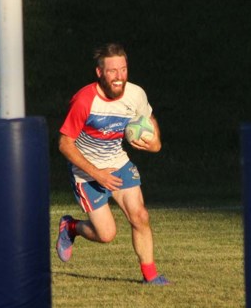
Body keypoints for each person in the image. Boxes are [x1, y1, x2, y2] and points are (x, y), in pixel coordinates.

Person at [55, 43, 170, 285]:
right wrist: (98, 174)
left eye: (123, 69)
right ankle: (71, 226)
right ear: (99, 73)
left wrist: (155, 142)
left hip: (117, 162)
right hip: (86, 172)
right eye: (112, 71)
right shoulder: (84, 100)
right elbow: (65, 144)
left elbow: (148, 117)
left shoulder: (135, 94)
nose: (119, 77)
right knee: (106, 234)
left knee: (140, 215)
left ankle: (151, 276)